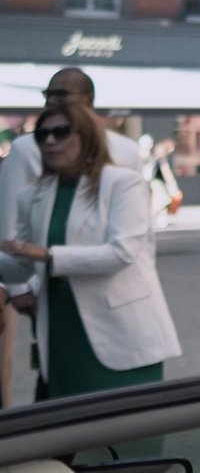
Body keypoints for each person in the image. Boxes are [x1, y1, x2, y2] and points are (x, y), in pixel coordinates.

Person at [0, 101, 180, 400]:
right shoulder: (32, 195)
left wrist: (48, 256)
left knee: (131, 436)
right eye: (42, 135)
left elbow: (121, 253)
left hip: (122, 333)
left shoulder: (122, 184)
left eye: (61, 132)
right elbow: (23, 265)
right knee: (73, 435)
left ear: (86, 136)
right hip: (61, 331)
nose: (50, 141)